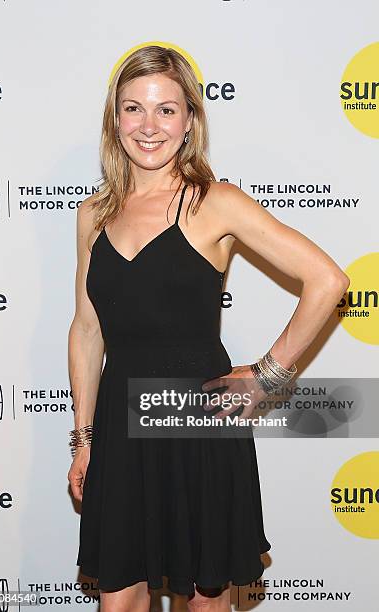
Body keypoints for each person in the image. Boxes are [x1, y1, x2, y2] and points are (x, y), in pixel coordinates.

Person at [67, 46, 350, 612]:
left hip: (197, 422)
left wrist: (267, 378)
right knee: (117, 600)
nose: (149, 127)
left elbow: (328, 280)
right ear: (114, 118)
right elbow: (87, 328)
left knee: (205, 600)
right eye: (133, 109)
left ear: (191, 120)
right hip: (121, 430)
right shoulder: (93, 212)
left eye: (166, 110)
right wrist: (84, 438)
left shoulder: (214, 203)